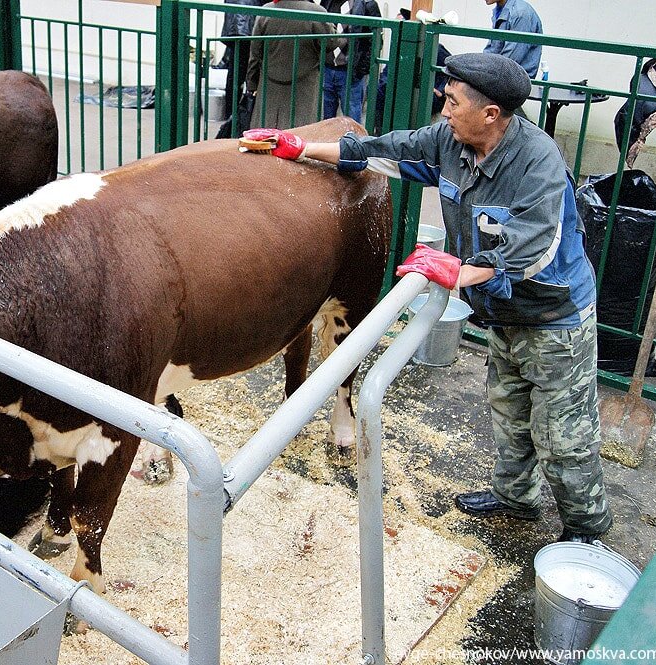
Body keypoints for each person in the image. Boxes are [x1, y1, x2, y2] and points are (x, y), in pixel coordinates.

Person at [243, 52, 613, 544]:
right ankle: (515, 498)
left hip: (551, 317)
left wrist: (460, 270)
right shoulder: (452, 143)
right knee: (508, 411)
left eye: (453, 102)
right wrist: (300, 147)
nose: (444, 110)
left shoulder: (537, 162)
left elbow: (537, 248)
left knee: (563, 437)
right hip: (502, 312)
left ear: (490, 114)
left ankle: (586, 534)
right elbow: (383, 150)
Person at [245, 0, 337, 129]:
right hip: (305, 86)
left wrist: (252, 83)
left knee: (266, 134)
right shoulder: (316, 12)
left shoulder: (266, 10)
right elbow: (331, 43)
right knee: (301, 136)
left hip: (269, 85)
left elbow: (255, 52)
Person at [319, 0, 381, 122]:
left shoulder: (367, 4)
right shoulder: (327, 2)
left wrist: (360, 69)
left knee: (352, 121)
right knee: (325, 121)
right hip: (327, 68)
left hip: (350, 72)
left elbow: (375, 40)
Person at [218, 0, 269, 122]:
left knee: (235, 74)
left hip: (236, 27)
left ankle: (231, 116)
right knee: (250, 71)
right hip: (249, 25)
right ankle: (244, 115)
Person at [482, 0, 542, 78]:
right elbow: (492, 49)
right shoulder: (500, 9)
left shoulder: (520, 13)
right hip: (500, 74)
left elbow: (511, 61)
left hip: (516, 81)